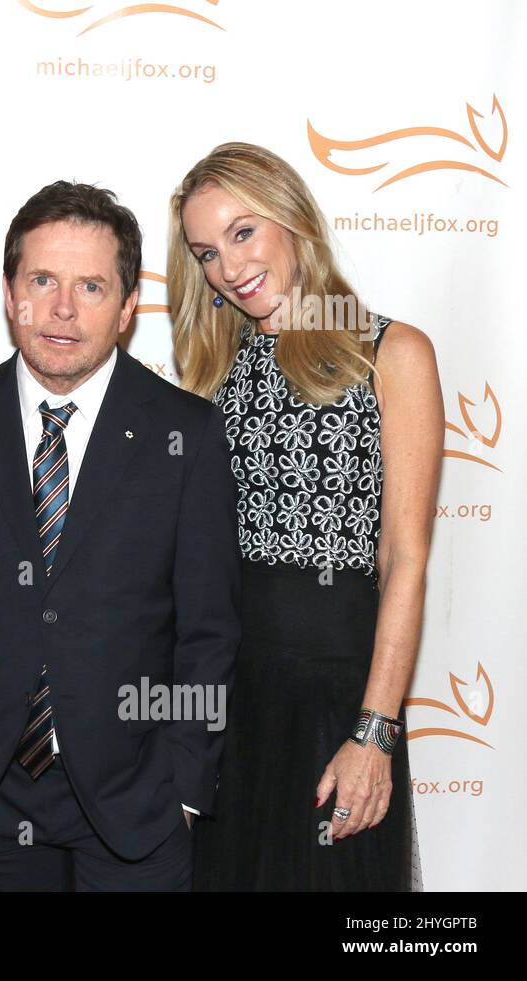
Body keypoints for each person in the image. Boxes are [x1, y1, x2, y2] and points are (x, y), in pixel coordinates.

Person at [0, 181, 240, 891]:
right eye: (43, 279)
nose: (62, 309)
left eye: (91, 286)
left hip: (136, 801)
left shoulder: (188, 435)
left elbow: (208, 632)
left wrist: (182, 784)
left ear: (127, 306)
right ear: (9, 290)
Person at [168, 142, 442, 890]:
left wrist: (375, 730)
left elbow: (405, 558)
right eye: (206, 252)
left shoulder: (391, 352)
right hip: (226, 707)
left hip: (337, 700)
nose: (228, 265)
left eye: (243, 232)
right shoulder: (206, 378)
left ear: (292, 218)